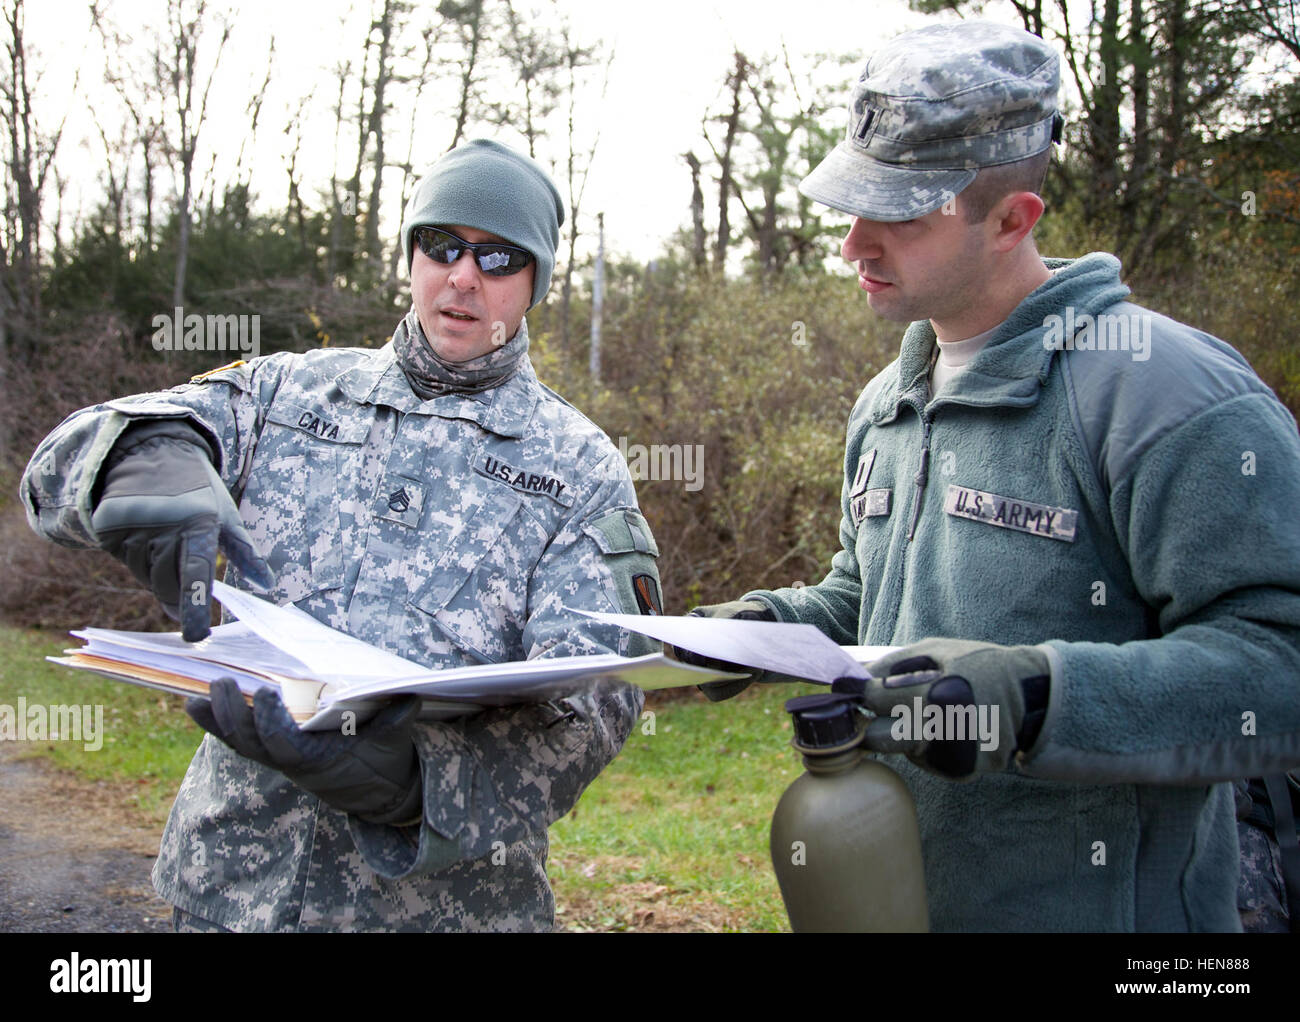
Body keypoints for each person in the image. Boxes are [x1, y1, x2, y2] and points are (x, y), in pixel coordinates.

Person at [679, 21, 1300, 931]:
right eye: (854, 206)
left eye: (897, 214)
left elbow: (1276, 663)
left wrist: (1037, 698)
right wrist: (769, 628)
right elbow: (872, 599)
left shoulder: (1161, 394)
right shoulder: (888, 401)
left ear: (1012, 220)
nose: (853, 244)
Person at [20, 138, 663, 932]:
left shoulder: (579, 466)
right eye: (441, 245)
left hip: (442, 912)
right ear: (413, 256)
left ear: (536, 282)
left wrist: (407, 783)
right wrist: (148, 464)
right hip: (230, 892)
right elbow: (62, 461)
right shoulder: (287, 392)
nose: (463, 277)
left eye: (498, 257)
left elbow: (597, 702)